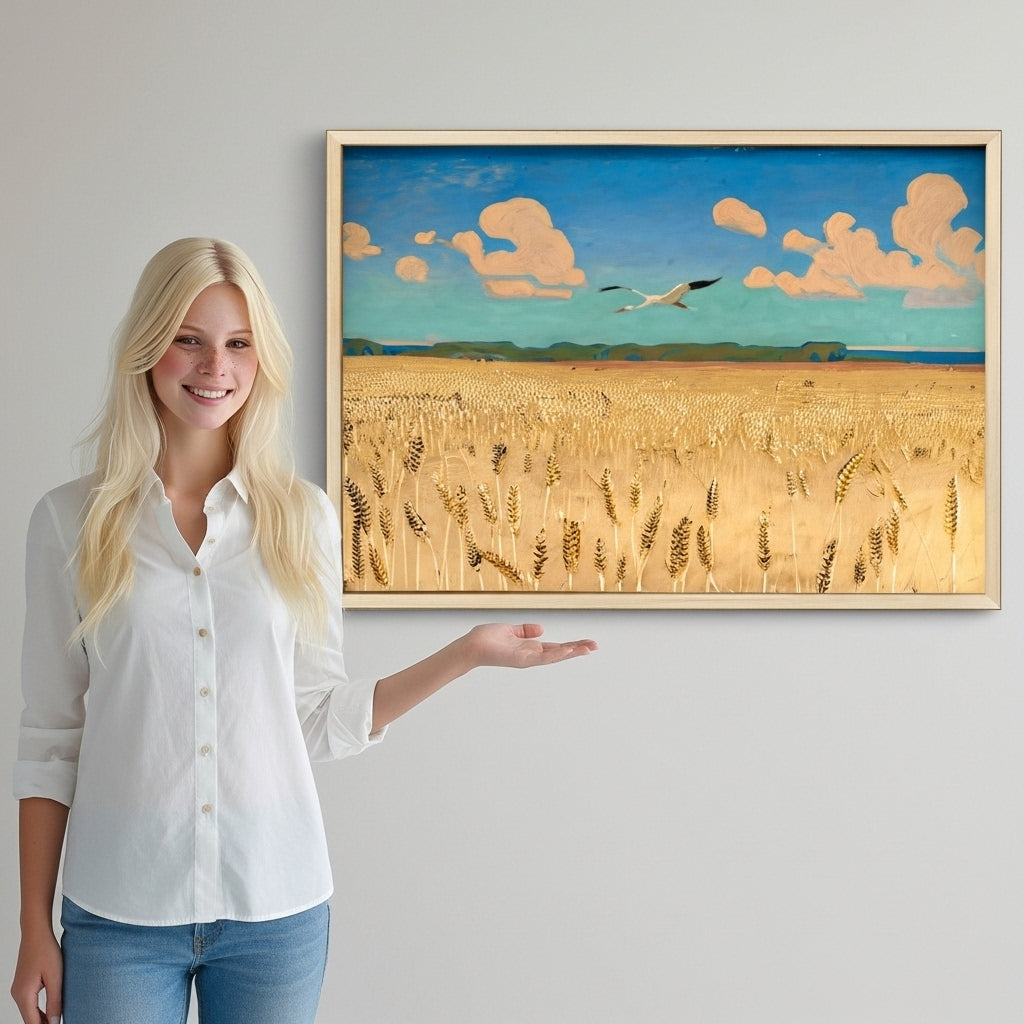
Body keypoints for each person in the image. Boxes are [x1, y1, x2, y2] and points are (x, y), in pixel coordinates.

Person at [10, 237, 597, 1024]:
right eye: (188, 339)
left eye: (237, 345)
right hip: (118, 912)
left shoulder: (304, 518)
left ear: (262, 361)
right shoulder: (67, 523)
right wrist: (31, 929)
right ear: (148, 346)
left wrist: (466, 655)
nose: (213, 367)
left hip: (276, 910)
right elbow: (52, 740)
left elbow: (316, 716)